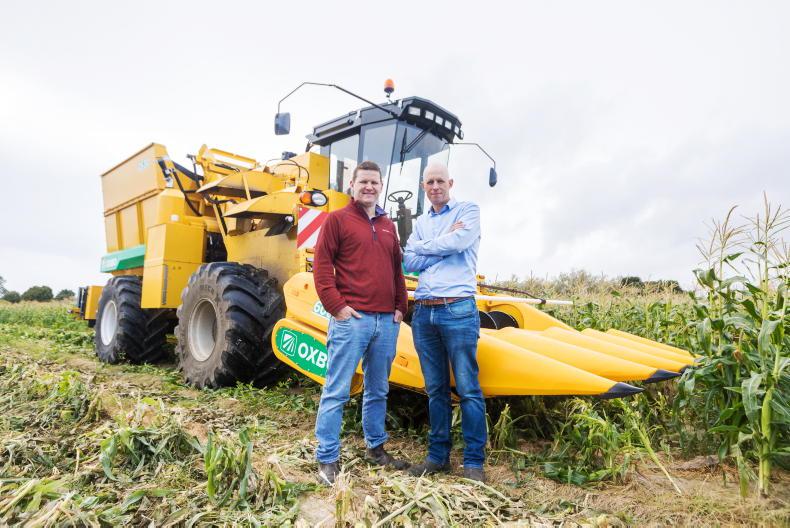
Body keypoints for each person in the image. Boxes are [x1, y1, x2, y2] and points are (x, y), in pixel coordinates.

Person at [312, 160, 410, 485]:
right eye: (363, 181)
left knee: (378, 390)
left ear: (381, 187)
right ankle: (327, 458)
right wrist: (337, 307)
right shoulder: (337, 220)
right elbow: (321, 268)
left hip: (386, 322)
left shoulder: (388, 225)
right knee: (337, 390)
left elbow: (396, 271)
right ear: (351, 185)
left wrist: (401, 307)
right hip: (352, 321)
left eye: (374, 182)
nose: (369, 187)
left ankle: (376, 449)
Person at [403, 162, 487, 482]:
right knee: (435, 389)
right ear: (423, 187)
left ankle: (474, 463)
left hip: (457, 309)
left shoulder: (469, 210)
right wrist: (443, 242)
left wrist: (429, 246)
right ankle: (438, 457)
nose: (435, 186)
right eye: (430, 182)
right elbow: (410, 259)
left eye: (440, 181)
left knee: (468, 388)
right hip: (424, 312)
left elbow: (459, 243)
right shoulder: (422, 221)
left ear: (450, 183)